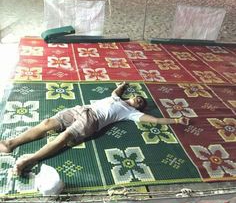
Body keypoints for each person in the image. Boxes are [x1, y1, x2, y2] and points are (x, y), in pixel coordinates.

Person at [0, 82, 189, 176]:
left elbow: (155, 121)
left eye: (142, 103)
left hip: (92, 121)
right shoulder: (116, 98)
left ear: (138, 108)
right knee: (48, 123)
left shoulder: (130, 113)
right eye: (140, 97)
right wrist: (124, 84)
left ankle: (29, 160)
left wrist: (176, 120)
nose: (140, 100)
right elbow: (118, 90)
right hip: (81, 109)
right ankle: (11, 143)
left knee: (65, 137)